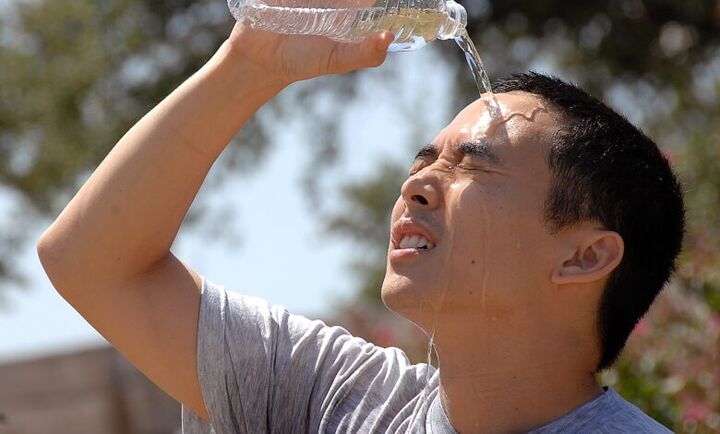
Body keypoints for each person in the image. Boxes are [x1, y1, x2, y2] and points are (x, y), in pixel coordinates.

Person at [37, 20, 684, 433]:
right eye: (424, 160)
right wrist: (252, 61)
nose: (417, 185)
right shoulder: (333, 399)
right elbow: (93, 263)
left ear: (585, 256)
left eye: (472, 167)